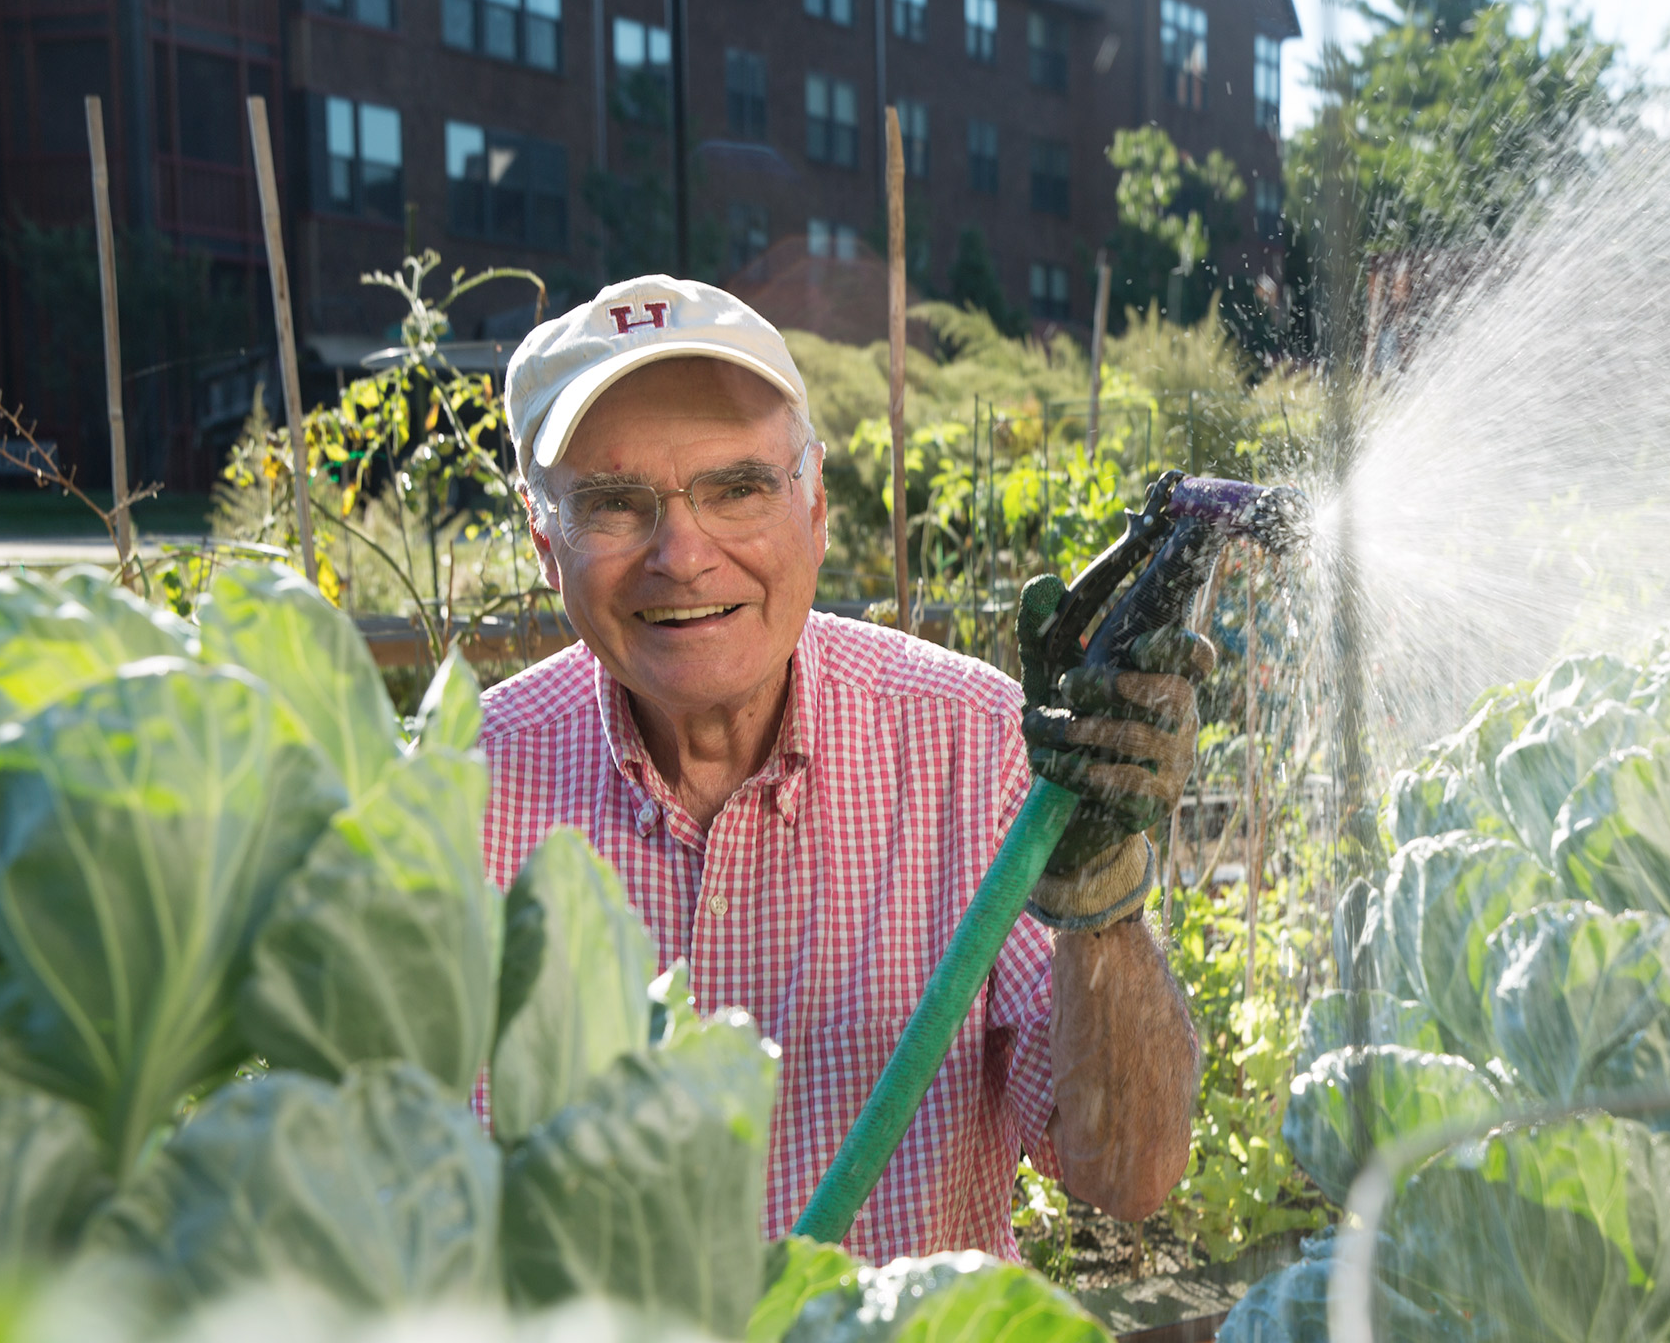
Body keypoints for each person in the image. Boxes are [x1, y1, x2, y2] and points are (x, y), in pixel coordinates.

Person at [478, 275, 1205, 1262]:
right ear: (543, 542)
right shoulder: (455, 798)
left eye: (737, 488)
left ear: (815, 506)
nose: (682, 554)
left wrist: (1101, 893)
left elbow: (1128, 1173)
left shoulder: (972, 746)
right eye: (613, 505)